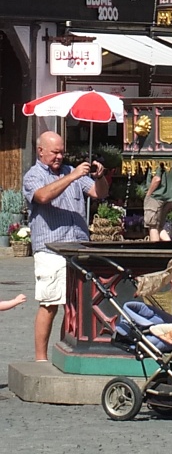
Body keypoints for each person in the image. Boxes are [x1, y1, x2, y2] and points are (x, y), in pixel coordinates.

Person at [22, 131, 108, 362]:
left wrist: (100, 177)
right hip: (51, 249)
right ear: (41, 151)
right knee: (50, 303)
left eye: (62, 152)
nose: (59, 157)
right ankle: (40, 359)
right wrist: (72, 177)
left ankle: (64, 355)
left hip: (78, 248)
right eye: (55, 152)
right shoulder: (34, 175)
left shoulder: (71, 170)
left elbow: (99, 193)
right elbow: (42, 197)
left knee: (74, 307)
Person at [144, 164, 172, 242]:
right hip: (168, 198)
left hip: (155, 197)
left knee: (153, 226)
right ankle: (171, 247)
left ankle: (155, 249)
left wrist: (148, 194)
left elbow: (157, 179)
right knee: (159, 227)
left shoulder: (156, 160)